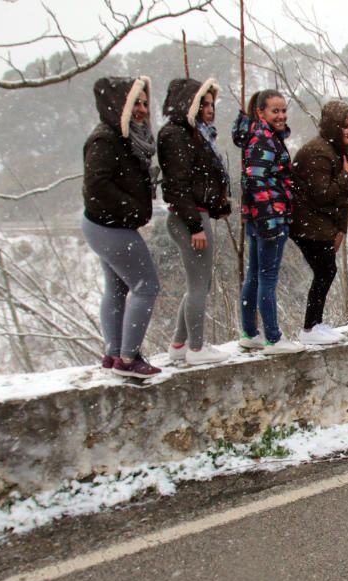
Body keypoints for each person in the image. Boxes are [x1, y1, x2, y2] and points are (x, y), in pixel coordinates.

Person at [81, 76, 162, 379]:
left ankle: (114, 353)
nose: (141, 109)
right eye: (134, 103)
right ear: (118, 105)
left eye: (144, 103)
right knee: (147, 286)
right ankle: (129, 358)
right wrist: (134, 208)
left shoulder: (126, 135)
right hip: (110, 227)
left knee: (116, 288)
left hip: (104, 225)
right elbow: (96, 184)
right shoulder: (106, 139)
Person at [158, 77, 232, 365]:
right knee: (200, 286)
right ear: (191, 104)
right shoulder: (178, 135)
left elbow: (200, 181)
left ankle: (179, 343)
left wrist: (217, 207)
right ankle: (197, 349)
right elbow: (178, 185)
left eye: (213, 104)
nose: (211, 109)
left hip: (195, 215)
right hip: (189, 218)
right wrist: (195, 225)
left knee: (197, 283)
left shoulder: (193, 134)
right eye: (205, 104)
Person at [231, 89, 303, 354]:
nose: (281, 115)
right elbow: (255, 181)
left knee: (254, 275)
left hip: (261, 218)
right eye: (275, 110)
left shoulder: (263, 135)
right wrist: (269, 221)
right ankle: (273, 337)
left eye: (284, 110)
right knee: (266, 277)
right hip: (269, 218)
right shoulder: (263, 138)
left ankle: (250, 332)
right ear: (261, 113)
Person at [290, 101, 348, 345]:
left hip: (317, 225)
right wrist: (346, 175)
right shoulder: (319, 152)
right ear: (333, 126)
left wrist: (340, 229)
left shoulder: (335, 150)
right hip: (307, 226)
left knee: (326, 271)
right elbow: (324, 194)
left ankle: (315, 324)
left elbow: (340, 199)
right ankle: (309, 328)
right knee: (326, 271)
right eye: (345, 126)